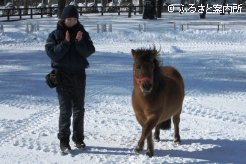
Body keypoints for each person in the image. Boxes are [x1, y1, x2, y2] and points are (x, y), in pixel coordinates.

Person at [45, 5, 95, 153]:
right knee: (65, 110)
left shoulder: (82, 33)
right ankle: (64, 141)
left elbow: (90, 51)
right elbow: (53, 54)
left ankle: (78, 139)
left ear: (77, 19)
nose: (71, 21)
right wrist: (66, 43)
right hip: (62, 76)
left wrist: (79, 43)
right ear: (63, 19)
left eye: (74, 19)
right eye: (68, 19)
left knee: (79, 109)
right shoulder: (55, 35)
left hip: (79, 75)